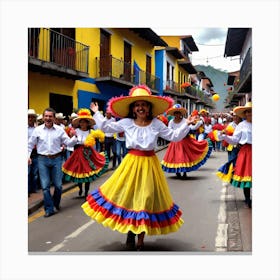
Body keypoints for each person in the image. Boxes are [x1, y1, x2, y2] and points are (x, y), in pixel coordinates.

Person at [81, 85, 196, 251]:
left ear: (149, 107)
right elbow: (106, 128)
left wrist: (186, 124)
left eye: (144, 104)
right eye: (137, 105)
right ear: (133, 109)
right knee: (128, 197)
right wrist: (97, 113)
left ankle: (140, 238)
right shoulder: (127, 122)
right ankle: (130, 231)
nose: (140, 107)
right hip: (131, 163)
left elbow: (174, 136)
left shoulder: (156, 123)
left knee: (146, 199)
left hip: (150, 164)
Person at [28, 107, 78, 217]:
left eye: (50, 116)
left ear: (54, 118)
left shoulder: (60, 130)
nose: (48, 118)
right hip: (42, 160)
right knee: (45, 187)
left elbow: (69, 143)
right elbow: (30, 144)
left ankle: (55, 204)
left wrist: (75, 137)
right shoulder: (38, 130)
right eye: (46, 116)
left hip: (57, 159)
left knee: (58, 186)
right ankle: (49, 209)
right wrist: (27, 156)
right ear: (43, 117)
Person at [62, 108, 108, 199]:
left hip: (89, 154)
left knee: (88, 173)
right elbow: (71, 142)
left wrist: (101, 141)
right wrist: (73, 136)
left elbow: (101, 137)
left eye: (84, 122)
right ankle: (80, 188)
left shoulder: (91, 132)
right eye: (81, 122)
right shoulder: (76, 131)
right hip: (78, 154)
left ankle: (86, 192)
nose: (82, 124)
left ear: (87, 123)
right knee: (78, 172)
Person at [161, 104, 212, 179]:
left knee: (184, 157)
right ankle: (177, 172)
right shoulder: (171, 122)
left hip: (185, 141)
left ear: (181, 113)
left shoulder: (185, 121)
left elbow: (192, 128)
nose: (177, 114)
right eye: (175, 113)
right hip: (175, 142)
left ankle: (184, 172)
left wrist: (198, 123)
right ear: (174, 114)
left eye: (178, 112)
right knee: (176, 157)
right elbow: (169, 130)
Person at [217, 102, 252, 208]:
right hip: (246, 152)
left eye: (251, 111)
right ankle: (247, 199)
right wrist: (224, 136)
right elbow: (235, 139)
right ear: (245, 114)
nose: (250, 114)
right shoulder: (242, 125)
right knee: (247, 176)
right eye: (248, 112)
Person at [28, 109, 39, 196]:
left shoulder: (37, 129)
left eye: (32, 117)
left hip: (35, 152)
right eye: (29, 117)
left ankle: (34, 188)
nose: (30, 118)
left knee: (34, 173)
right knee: (27, 172)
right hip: (27, 152)